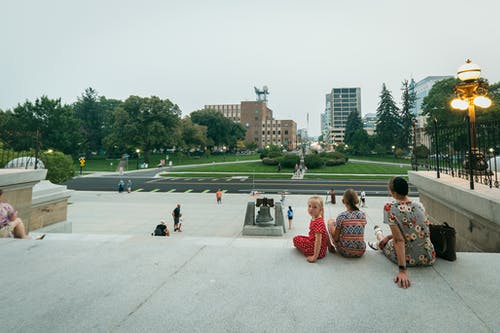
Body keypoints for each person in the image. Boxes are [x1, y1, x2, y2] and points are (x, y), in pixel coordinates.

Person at [368, 177, 436, 289]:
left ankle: (378, 236)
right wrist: (390, 236)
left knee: (383, 243)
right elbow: (419, 230)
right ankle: (380, 236)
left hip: (409, 258)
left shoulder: (390, 208)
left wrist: (402, 271)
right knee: (389, 239)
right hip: (429, 256)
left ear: (393, 192)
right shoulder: (419, 205)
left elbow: (399, 240)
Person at [327, 189, 366, 258]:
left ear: (343, 201)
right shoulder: (362, 215)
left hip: (345, 251)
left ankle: (331, 246)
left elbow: (336, 238)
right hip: (361, 251)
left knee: (330, 222)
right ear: (356, 201)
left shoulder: (342, 216)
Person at [292, 196, 328, 263]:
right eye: (309, 206)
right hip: (320, 247)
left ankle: (312, 253)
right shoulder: (318, 218)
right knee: (299, 238)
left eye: (315, 207)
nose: (311, 209)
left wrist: (314, 257)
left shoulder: (318, 222)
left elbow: (318, 241)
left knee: (296, 239)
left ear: (320, 209)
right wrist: (329, 245)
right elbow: (325, 233)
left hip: (317, 250)